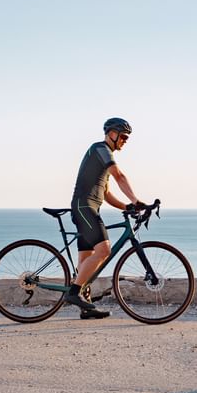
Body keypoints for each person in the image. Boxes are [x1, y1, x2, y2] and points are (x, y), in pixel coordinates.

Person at [65, 117, 146, 319]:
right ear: (112, 134)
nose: (125, 141)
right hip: (84, 207)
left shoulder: (103, 159)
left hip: (88, 207)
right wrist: (136, 200)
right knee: (104, 250)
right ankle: (73, 293)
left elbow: (106, 194)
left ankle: (86, 307)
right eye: (123, 136)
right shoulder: (100, 149)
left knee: (86, 259)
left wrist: (127, 206)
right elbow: (119, 176)